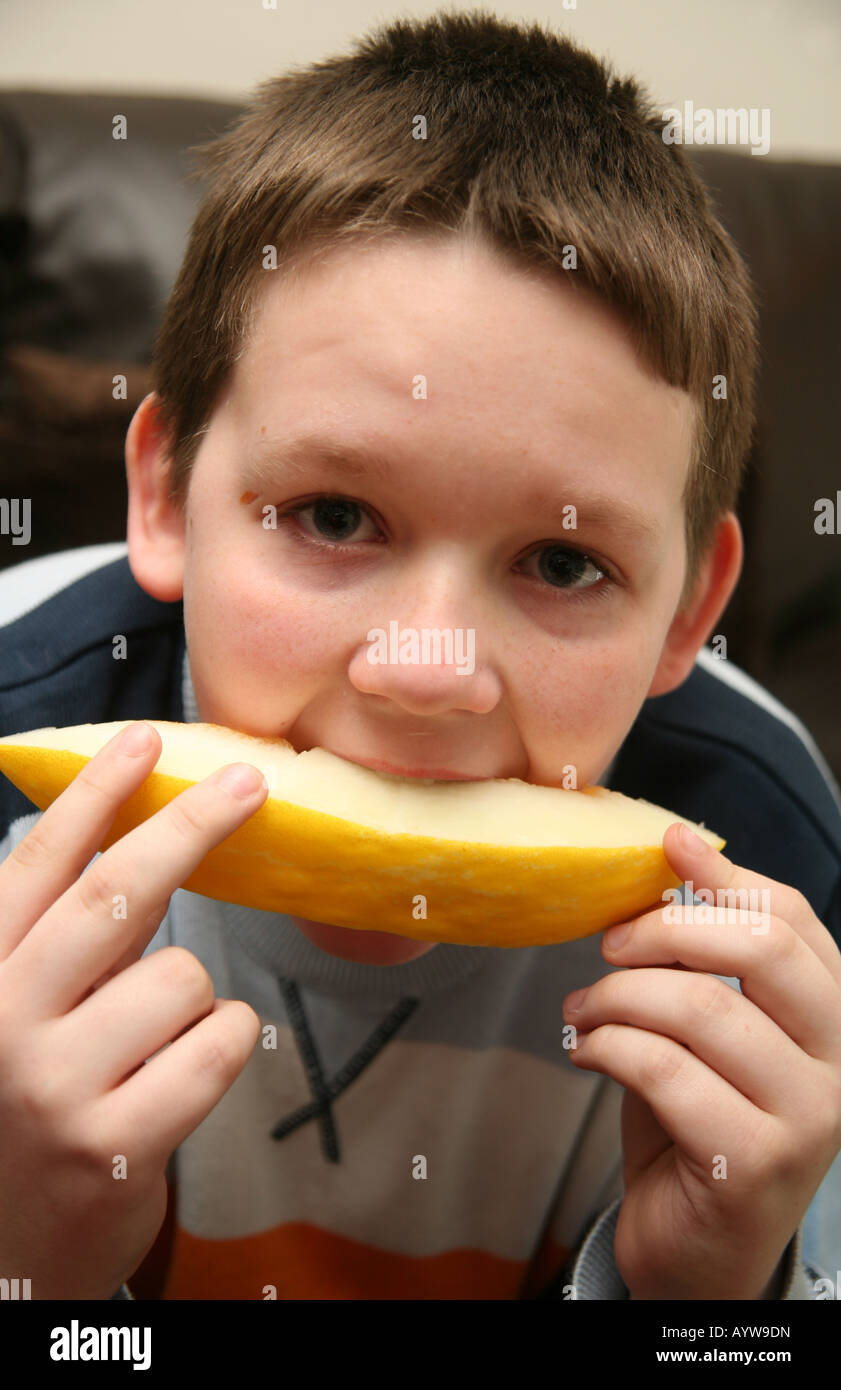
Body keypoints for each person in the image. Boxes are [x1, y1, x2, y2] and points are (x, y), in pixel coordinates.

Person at [1, 11, 840, 1301]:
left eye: (563, 565)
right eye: (334, 518)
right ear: (166, 497)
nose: (427, 669)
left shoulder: (756, 852)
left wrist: (702, 1297)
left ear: (687, 614)